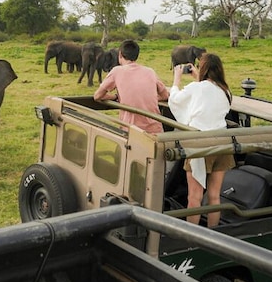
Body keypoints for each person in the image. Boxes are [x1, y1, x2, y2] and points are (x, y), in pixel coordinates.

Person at [168, 53, 233, 227]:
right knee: (214, 196)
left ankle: (193, 238)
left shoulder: (196, 88)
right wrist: (198, 77)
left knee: (194, 197)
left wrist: (176, 80)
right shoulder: (226, 90)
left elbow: (175, 100)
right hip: (222, 143)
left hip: (200, 145)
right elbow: (208, 95)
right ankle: (213, 234)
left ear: (202, 68)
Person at [93, 39, 169, 134]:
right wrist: (147, 98)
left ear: (120, 54)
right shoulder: (150, 71)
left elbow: (97, 96)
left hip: (131, 131)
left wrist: (115, 97)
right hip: (155, 129)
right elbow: (165, 96)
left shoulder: (117, 71)